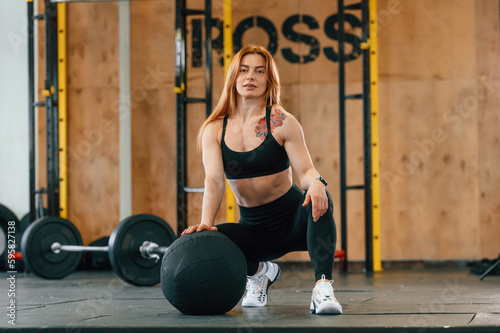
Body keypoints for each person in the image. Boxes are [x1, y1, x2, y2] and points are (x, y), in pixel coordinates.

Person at [182, 45, 342, 315]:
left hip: (295, 221)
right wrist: (206, 224)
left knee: (320, 196)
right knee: (212, 238)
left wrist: (317, 182)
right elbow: (214, 180)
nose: (250, 77)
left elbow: (305, 172)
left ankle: (322, 288)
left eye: (259, 71)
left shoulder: (281, 121)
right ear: (234, 77)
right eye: (244, 70)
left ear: (269, 80)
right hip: (256, 230)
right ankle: (260, 274)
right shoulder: (214, 129)